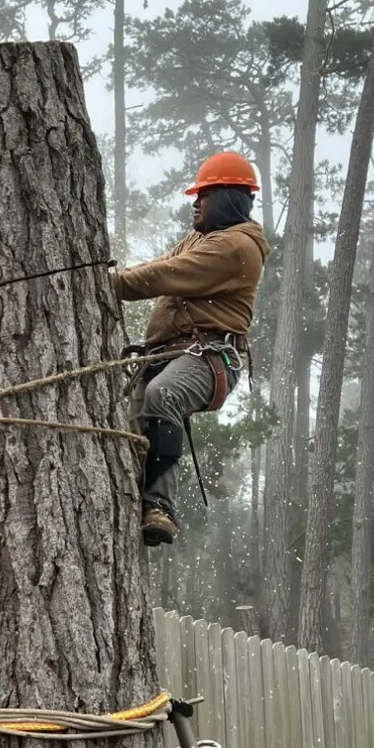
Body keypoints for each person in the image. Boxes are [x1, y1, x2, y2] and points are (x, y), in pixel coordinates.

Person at [114, 151, 270, 547]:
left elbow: (166, 275)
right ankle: (124, 500)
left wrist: (110, 285)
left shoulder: (236, 247)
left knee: (161, 395)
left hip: (209, 356)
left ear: (227, 198)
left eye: (202, 195)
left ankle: (159, 506)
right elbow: (161, 264)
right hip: (166, 353)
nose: (195, 203)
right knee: (125, 428)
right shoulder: (198, 238)